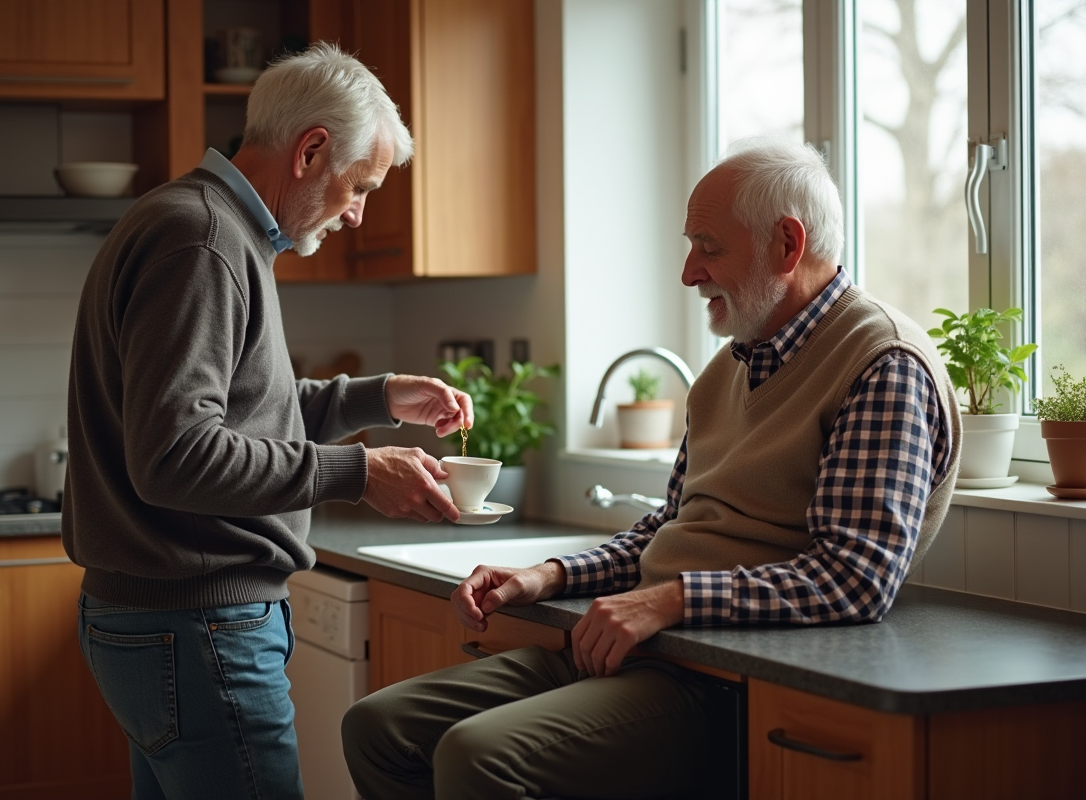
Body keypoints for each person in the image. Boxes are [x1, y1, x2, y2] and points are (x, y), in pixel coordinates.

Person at [341, 138, 963, 800]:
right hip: (645, 650)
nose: (689, 273)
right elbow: (674, 522)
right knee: (379, 727)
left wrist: (667, 600)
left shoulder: (882, 365)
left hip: (722, 677)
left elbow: (853, 579)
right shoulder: (731, 366)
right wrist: (544, 576)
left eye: (709, 247)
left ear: (788, 245)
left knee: (479, 757)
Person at [64, 44, 472, 800]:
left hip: (172, 625)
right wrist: (361, 472)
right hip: (200, 628)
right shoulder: (204, 241)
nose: (358, 211)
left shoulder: (207, 227)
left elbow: (252, 413)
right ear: (311, 150)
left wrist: (379, 398)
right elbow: (178, 455)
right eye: (360, 186)